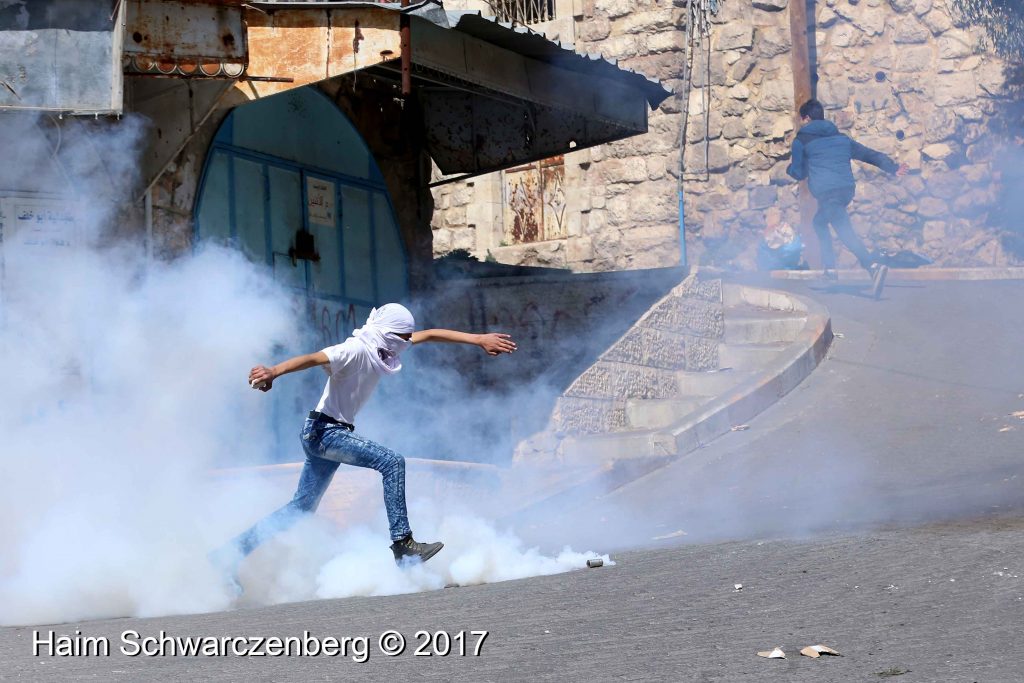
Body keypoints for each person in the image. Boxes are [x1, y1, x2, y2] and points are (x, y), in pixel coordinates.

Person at [217, 303, 516, 577]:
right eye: (402, 336)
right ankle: (403, 545)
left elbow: (431, 334)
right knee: (392, 462)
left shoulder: (383, 344)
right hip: (325, 432)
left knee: (300, 509)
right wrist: (273, 371)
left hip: (325, 431)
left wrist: (478, 340)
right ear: (387, 333)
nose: (406, 342)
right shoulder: (355, 349)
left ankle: (228, 555)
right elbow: (313, 358)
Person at [786, 98, 909, 297]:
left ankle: (871, 266)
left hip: (827, 192)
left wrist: (789, 169)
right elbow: (868, 154)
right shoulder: (842, 139)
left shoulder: (801, 141)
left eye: (802, 119)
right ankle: (830, 271)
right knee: (820, 222)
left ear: (806, 118)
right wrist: (892, 168)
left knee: (844, 229)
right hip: (845, 190)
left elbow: (799, 173)